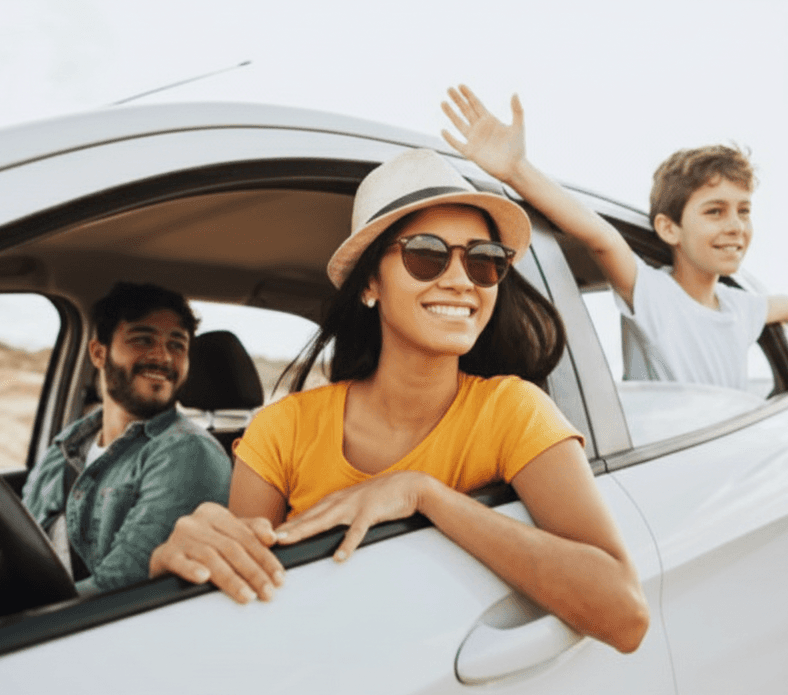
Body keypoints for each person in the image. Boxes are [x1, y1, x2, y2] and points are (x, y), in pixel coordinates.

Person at [149, 148, 649, 653]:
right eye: (427, 254)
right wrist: (182, 562)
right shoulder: (281, 431)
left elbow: (624, 615)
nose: (459, 279)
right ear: (370, 283)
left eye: (484, 261)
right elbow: (238, 601)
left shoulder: (513, 411)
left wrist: (424, 494)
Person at [441, 84, 788, 391]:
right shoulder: (653, 295)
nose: (736, 225)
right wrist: (516, 171)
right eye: (715, 211)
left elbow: (785, 306)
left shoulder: (741, 307)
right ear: (669, 228)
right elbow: (602, 238)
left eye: (744, 210)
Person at [22, 282, 231, 593]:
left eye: (177, 345)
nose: (162, 357)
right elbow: (19, 535)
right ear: (98, 353)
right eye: (142, 339)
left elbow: (118, 591)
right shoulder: (70, 442)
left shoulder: (186, 452)